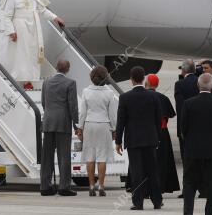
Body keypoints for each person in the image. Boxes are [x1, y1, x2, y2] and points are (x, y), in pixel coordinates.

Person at [0, 0, 64, 89]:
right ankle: (21, 80)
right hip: (18, 28)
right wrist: (11, 31)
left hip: (33, 29)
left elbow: (43, 11)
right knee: (20, 54)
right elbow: (7, 16)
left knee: (32, 53)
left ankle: (29, 78)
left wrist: (55, 18)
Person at [116, 66, 162, 210]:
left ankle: (138, 202)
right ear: (144, 79)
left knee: (137, 172)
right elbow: (157, 119)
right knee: (152, 171)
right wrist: (158, 137)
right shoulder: (154, 96)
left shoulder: (125, 97)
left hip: (133, 140)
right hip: (150, 139)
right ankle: (157, 201)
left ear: (131, 79)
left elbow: (121, 121)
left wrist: (118, 141)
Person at [181, 73, 212, 215]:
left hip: (192, 150)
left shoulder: (188, 103)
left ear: (197, 85)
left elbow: (183, 129)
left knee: (189, 184)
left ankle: (188, 212)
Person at [77, 65, 117, 197]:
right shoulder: (109, 93)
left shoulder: (86, 91)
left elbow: (82, 112)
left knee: (90, 156)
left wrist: (80, 127)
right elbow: (112, 115)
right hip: (104, 125)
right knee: (102, 157)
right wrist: (114, 129)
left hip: (89, 124)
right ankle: (101, 185)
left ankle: (90, 186)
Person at [40, 60, 78, 196]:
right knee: (64, 156)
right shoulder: (70, 83)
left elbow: (44, 102)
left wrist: (49, 115)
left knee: (47, 157)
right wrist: (76, 124)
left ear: (56, 67)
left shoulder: (46, 82)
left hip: (48, 121)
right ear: (68, 69)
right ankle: (64, 186)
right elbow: (72, 106)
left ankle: (45, 186)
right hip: (63, 123)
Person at [145, 74, 180, 194]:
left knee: (146, 160)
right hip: (162, 133)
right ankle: (160, 187)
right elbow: (170, 114)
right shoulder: (163, 98)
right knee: (161, 161)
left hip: (147, 132)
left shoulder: (142, 97)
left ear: (147, 83)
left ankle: (146, 188)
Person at [174, 59, 199, 162]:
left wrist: (181, 128)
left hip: (185, 126)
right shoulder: (200, 81)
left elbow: (180, 107)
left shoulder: (180, 84)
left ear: (184, 70)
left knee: (186, 157)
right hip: (199, 125)